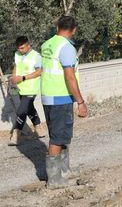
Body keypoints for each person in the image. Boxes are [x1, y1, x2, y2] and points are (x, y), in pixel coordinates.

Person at [40, 16, 87, 189]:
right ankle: (54, 180)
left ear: (57, 27)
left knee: (60, 135)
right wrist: (80, 101)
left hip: (48, 95)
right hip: (61, 97)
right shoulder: (66, 47)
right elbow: (69, 76)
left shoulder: (47, 44)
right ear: (74, 29)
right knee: (57, 138)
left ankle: (64, 171)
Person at [8, 36, 45, 146]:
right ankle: (38, 126)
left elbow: (39, 71)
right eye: (19, 48)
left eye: (22, 48)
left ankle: (16, 133)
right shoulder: (17, 54)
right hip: (20, 88)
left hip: (32, 88)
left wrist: (23, 78)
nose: (20, 50)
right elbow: (16, 66)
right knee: (29, 108)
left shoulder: (36, 56)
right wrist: (14, 77)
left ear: (28, 45)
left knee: (22, 110)